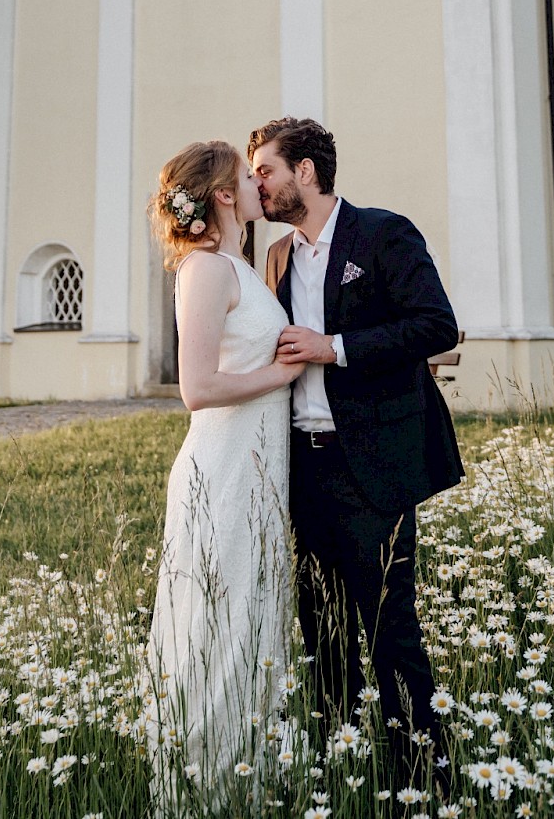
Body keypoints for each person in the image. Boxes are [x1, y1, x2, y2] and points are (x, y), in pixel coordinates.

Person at [248, 116, 463, 785]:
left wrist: (332, 348)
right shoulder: (277, 257)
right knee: (324, 630)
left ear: (304, 172)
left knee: (390, 630)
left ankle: (423, 775)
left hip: (375, 465)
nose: (257, 183)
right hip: (306, 468)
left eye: (266, 170)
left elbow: (436, 324)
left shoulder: (383, 233)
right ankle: (340, 767)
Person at [145, 139, 304, 807]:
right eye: (248, 175)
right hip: (224, 467)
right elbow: (197, 385)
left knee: (256, 615)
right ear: (222, 195)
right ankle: (206, 782)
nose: (257, 184)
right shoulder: (205, 268)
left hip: (258, 467)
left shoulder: (237, 264)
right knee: (223, 618)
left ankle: (254, 773)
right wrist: (283, 371)